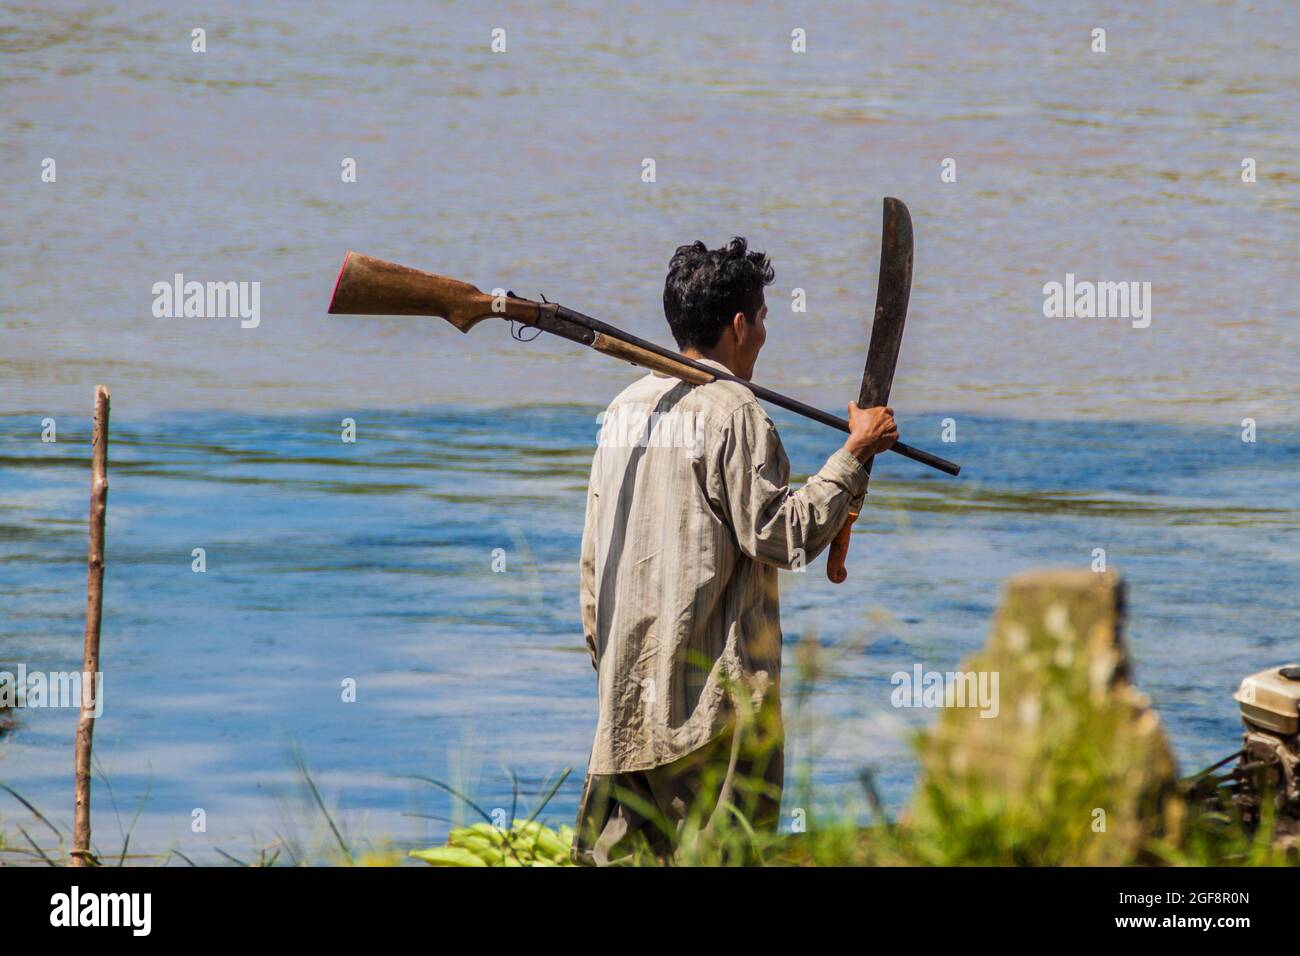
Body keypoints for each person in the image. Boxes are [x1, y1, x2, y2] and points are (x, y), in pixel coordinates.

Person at [572, 238, 898, 865]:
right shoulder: (735, 412)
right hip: (712, 713)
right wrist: (854, 456)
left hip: (623, 702)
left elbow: (593, 574)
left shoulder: (621, 411)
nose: (764, 334)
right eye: (764, 319)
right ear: (740, 325)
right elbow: (783, 537)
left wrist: (614, 671)